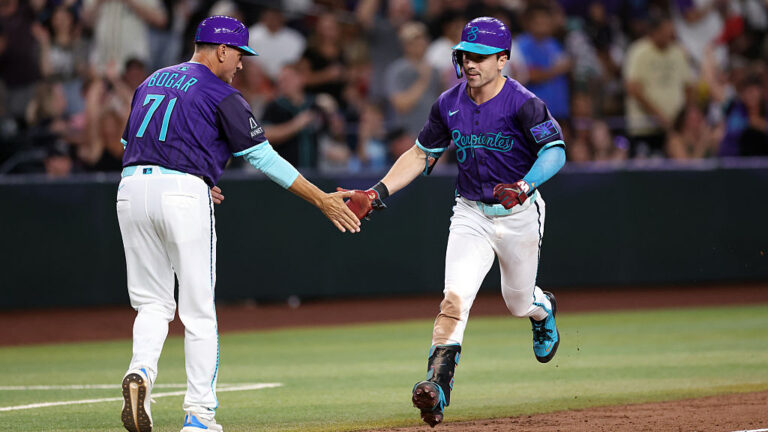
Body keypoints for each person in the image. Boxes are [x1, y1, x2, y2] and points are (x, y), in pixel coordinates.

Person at [116, 16, 360, 432]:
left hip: (130, 190)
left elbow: (131, 144)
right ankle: (199, 416)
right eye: (240, 55)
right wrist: (320, 198)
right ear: (222, 50)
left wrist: (191, 173)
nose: (242, 64)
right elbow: (263, 157)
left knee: (153, 304)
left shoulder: (154, 79)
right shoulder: (220, 92)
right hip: (181, 196)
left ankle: (140, 372)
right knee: (199, 313)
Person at [340, 17, 564, 427]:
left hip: (518, 214)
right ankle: (437, 385)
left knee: (517, 303)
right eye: (466, 54)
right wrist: (376, 192)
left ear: (502, 60)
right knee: (453, 300)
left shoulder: (523, 102)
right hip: (470, 213)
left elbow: (555, 151)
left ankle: (542, 308)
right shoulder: (448, 102)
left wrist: (526, 185)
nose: (471, 62)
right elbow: (421, 153)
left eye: (480, 56)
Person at [623, 10, 694, 157]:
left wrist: (682, 118)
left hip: (674, 129)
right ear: (655, 31)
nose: (671, 35)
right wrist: (659, 116)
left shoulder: (678, 52)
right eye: (667, 31)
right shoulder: (638, 51)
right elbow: (633, 89)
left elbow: (688, 87)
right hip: (644, 129)